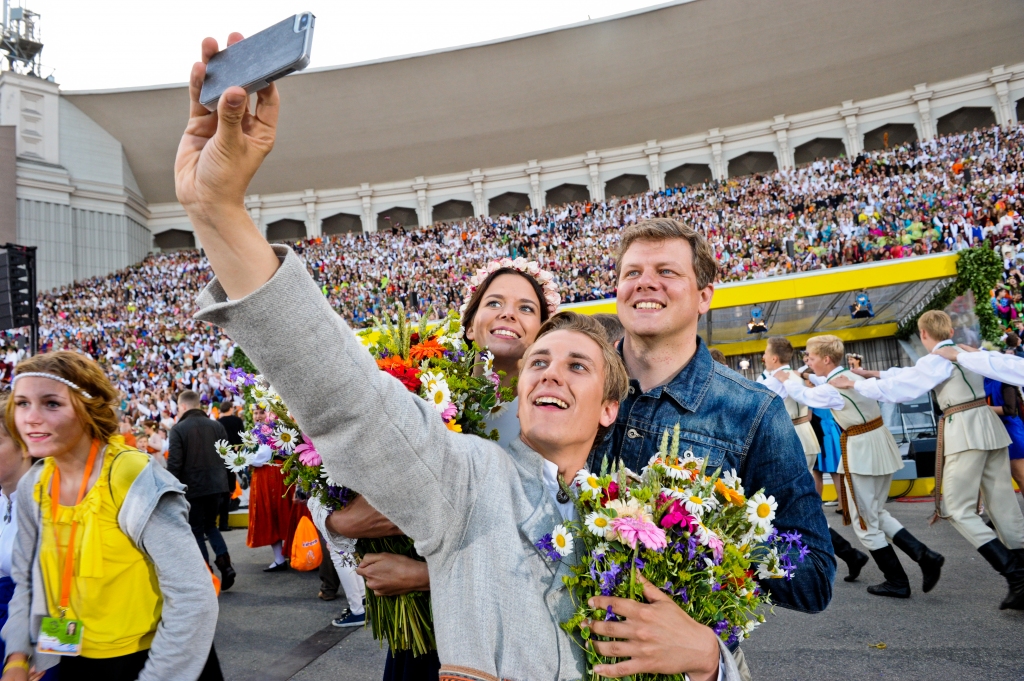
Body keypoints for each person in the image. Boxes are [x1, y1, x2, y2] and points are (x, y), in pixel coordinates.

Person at [176, 45, 741, 679]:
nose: (550, 372)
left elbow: (723, 650)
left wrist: (710, 658)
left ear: (611, 407)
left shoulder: (656, 519)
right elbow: (351, 400)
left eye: (578, 366)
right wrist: (219, 212)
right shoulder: (468, 480)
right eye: (539, 363)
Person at [326, 256, 558, 678]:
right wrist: (338, 522)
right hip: (416, 638)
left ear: (543, 331)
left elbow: (549, 546)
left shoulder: (553, 417)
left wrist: (424, 575)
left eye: (526, 308)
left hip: (503, 635)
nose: (509, 313)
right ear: (469, 325)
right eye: (495, 302)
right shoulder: (422, 394)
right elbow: (337, 482)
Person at [0, 351, 220, 680]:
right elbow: (28, 580)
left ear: (88, 409)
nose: (30, 418)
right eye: (22, 403)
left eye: (51, 403)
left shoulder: (130, 475)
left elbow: (193, 597)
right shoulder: (36, 484)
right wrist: (17, 657)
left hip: (155, 659)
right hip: (75, 659)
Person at [835, 311, 1023, 610]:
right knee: (1004, 505)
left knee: (957, 510)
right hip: (988, 425)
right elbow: (909, 374)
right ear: (950, 330)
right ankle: (1021, 576)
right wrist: (873, 374)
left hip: (965, 430)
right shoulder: (964, 353)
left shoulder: (937, 359)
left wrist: (856, 384)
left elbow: (903, 387)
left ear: (923, 334)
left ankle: (1016, 576)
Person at [784, 335, 944, 599]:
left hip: (862, 450)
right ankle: (924, 556)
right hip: (879, 442)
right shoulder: (849, 377)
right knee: (877, 512)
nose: (808, 362)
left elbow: (805, 395)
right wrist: (807, 376)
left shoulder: (833, 388)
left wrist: (786, 378)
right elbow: (822, 384)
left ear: (826, 359)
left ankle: (897, 580)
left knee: (865, 523)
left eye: (810, 358)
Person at [758, 339, 868, 583]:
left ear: (774, 358)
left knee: (791, 506)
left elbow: (756, 404)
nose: (763, 357)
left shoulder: (777, 379)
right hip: (804, 435)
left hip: (791, 439)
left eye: (765, 353)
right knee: (796, 505)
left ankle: (838, 556)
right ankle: (847, 554)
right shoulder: (797, 375)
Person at [168, 391, 235, 590]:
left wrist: (171, 490)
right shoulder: (216, 426)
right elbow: (228, 457)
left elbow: (174, 464)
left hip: (193, 488)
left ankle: (207, 574)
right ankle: (226, 565)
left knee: (197, 530)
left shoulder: (178, 429)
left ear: (182, 406)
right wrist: (229, 485)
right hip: (216, 486)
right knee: (211, 526)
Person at [983, 376, 1024, 495]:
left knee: (1019, 475)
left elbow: (1010, 409)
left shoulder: (1004, 380)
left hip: (1011, 430)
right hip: (992, 428)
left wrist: (982, 409)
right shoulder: (981, 381)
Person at [216, 401, 243, 532]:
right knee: (229, 491)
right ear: (231, 408)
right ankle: (224, 523)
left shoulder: (217, 422)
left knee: (221, 491)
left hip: (220, 457)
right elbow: (242, 438)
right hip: (233, 456)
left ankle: (216, 522)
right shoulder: (237, 421)